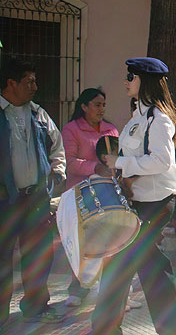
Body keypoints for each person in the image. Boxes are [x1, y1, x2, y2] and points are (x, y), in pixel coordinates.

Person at [91, 57, 176, 335]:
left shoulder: (159, 120)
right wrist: (120, 169)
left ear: (144, 81)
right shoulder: (137, 119)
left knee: (129, 264)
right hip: (137, 201)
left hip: (155, 203)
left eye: (130, 77)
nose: (126, 82)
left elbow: (161, 162)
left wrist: (121, 164)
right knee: (140, 265)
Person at [61, 88, 142, 311]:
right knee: (83, 241)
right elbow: (69, 161)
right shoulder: (72, 129)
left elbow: (120, 155)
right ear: (84, 106)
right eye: (96, 104)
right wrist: (94, 167)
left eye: (103, 105)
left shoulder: (111, 129)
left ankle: (118, 296)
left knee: (112, 243)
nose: (101, 109)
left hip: (108, 191)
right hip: (82, 192)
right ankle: (78, 290)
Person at [0, 57, 66, 324]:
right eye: (29, 81)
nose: (35, 86)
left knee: (39, 255)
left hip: (36, 199)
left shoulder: (38, 113)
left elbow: (57, 145)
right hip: (5, 203)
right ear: (11, 84)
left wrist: (58, 172)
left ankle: (36, 306)